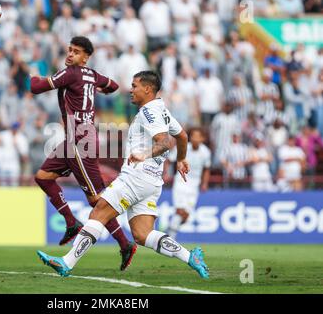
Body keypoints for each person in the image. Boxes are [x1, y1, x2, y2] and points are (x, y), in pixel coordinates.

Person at [37, 71, 209, 279]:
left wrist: (144, 154)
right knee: (142, 234)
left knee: (99, 211)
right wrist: (181, 158)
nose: (131, 90)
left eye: (135, 85)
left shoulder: (148, 112)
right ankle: (191, 257)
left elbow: (164, 142)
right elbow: (181, 135)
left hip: (136, 177)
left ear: (148, 89)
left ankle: (67, 262)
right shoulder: (162, 110)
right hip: (152, 182)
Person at [30, 36, 136, 271]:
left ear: (85, 57)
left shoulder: (71, 73)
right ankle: (70, 221)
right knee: (43, 177)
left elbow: (35, 87)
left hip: (80, 141)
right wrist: (97, 88)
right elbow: (114, 86)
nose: (70, 54)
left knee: (97, 200)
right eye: (69, 50)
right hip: (74, 139)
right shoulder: (92, 74)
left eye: (76, 52)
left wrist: (31, 73)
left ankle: (125, 243)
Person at [167, 128, 211, 240]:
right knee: (179, 210)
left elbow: (207, 169)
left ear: (202, 138)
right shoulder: (182, 147)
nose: (195, 138)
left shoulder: (206, 152)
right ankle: (171, 239)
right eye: (193, 136)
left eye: (198, 136)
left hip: (194, 186)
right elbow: (169, 159)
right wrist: (166, 174)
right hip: (180, 182)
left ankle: (171, 227)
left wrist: (204, 183)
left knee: (186, 216)